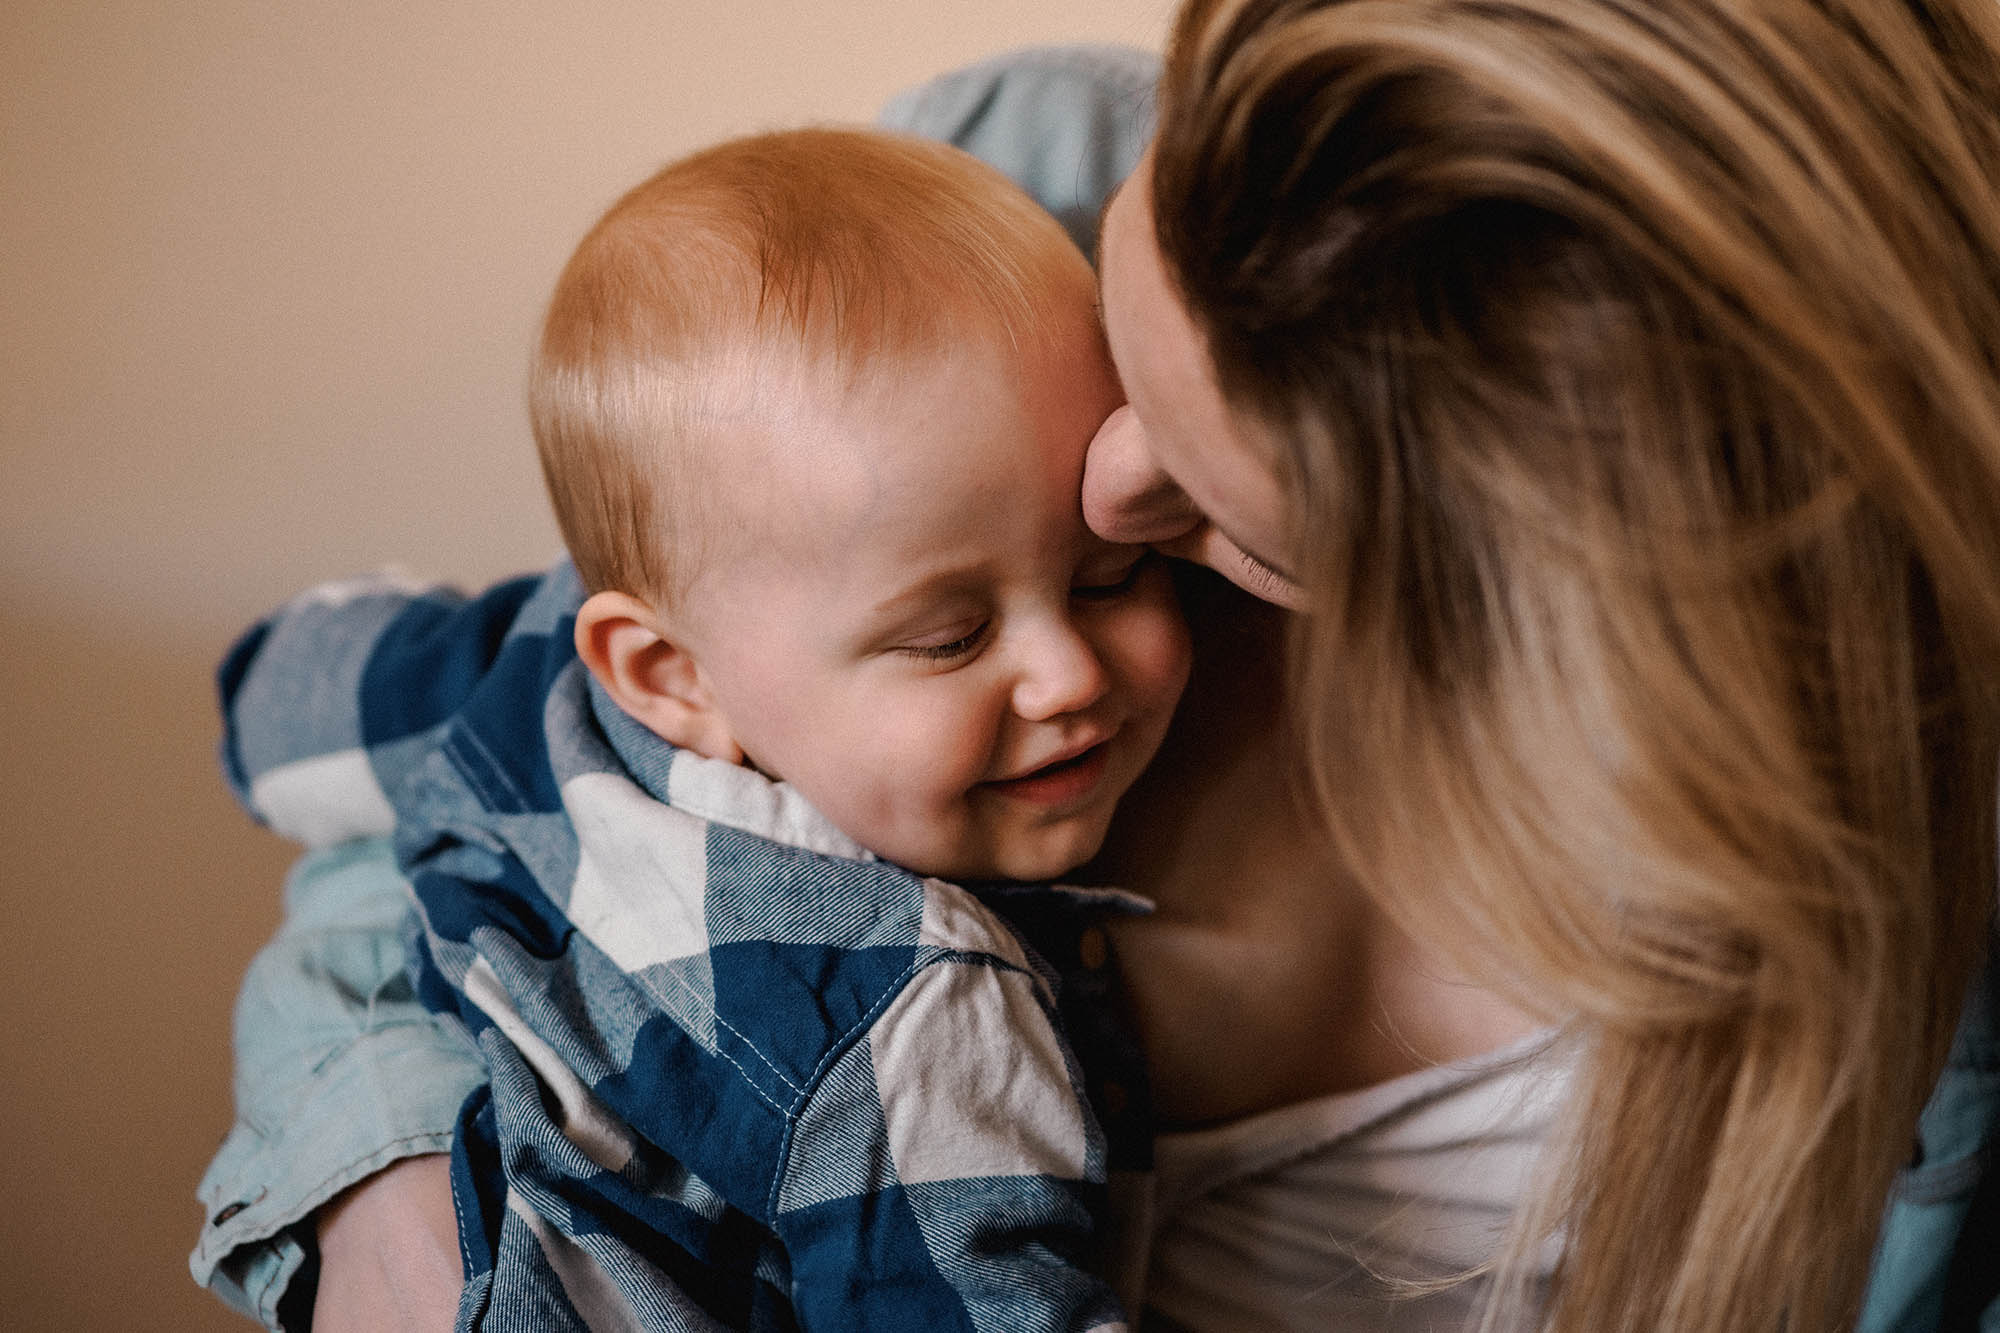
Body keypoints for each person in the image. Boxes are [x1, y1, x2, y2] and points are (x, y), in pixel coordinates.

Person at [196, 3, 2000, 1327]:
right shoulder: (1012, 191)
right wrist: (388, 1182)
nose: (1110, 473)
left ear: (1551, 597)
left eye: (1190, 518)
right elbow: (497, 781)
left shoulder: (1916, 959)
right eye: (1130, 335)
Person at [214, 126, 1193, 1329]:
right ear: (669, 673)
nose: (1065, 675)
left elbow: (276, 711)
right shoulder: (911, 1013)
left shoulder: (528, 658)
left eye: (1112, 575)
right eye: (947, 637)